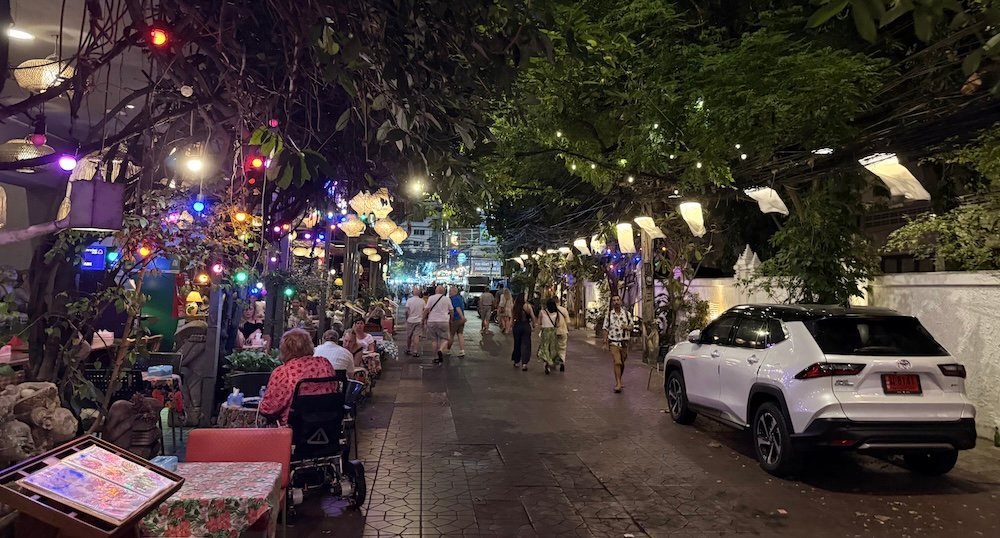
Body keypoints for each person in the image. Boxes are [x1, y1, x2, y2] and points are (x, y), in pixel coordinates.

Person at [259, 329, 337, 424]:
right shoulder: (325, 364)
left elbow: (268, 409)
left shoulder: (284, 372)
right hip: (327, 426)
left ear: (284, 349)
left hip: (293, 430)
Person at [603, 295, 634, 393]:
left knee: (622, 362)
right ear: (612, 303)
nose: (616, 302)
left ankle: (619, 379)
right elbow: (605, 328)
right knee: (617, 362)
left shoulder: (626, 314)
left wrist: (627, 327)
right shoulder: (609, 315)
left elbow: (632, 326)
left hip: (624, 342)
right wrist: (605, 342)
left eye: (617, 300)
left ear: (620, 301)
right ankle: (618, 383)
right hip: (613, 342)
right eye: (614, 300)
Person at [423, 285, 453, 364]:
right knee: (445, 338)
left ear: (436, 291)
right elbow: (451, 310)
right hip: (443, 321)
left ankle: (436, 357)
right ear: (443, 291)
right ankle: (441, 349)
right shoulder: (447, 299)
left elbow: (426, 310)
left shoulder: (431, 298)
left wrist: (422, 319)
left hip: (432, 321)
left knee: (434, 340)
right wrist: (451, 319)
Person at [537, 298, 568, 374]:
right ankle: (559, 361)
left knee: (545, 348)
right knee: (553, 349)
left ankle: (546, 364)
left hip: (545, 332)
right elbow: (558, 324)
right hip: (553, 333)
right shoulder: (556, 313)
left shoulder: (542, 312)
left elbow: (539, 322)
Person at [511, 293, 535, 371]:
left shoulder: (515, 307)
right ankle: (524, 363)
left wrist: (511, 326)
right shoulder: (528, 306)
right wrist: (534, 324)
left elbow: (512, 318)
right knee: (526, 344)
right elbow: (533, 316)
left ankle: (516, 361)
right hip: (526, 326)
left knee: (517, 344)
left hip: (517, 326)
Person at [446, 285, 467, 357]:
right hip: (461, 320)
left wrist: (462, 317)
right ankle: (462, 350)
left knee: (451, 335)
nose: (449, 293)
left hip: (455, 319)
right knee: (460, 334)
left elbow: (457, 308)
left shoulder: (453, 299)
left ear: (455, 292)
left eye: (450, 291)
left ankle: (448, 350)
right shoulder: (460, 297)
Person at [404, 286, 425, 356]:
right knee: (416, 336)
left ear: (412, 293)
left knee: (409, 335)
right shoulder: (422, 301)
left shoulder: (409, 300)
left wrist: (407, 318)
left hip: (410, 320)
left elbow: (407, 311)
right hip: (419, 320)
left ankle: (408, 349)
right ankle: (415, 351)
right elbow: (424, 310)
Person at [554, 296, 570, 369]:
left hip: (554, 331)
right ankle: (562, 361)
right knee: (562, 348)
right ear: (558, 302)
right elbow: (568, 321)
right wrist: (567, 329)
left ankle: (554, 361)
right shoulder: (564, 310)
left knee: (554, 347)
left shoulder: (550, 310)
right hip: (563, 331)